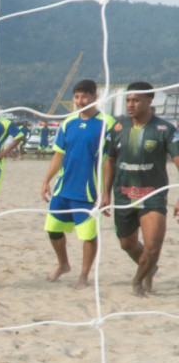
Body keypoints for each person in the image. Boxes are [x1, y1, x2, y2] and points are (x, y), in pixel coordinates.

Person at [102, 81, 179, 298]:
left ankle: (138, 280)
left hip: (153, 196)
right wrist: (106, 193)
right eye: (128, 100)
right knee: (127, 243)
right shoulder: (117, 128)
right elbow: (110, 161)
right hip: (124, 195)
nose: (130, 104)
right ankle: (149, 267)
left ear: (149, 100)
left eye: (136, 100)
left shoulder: (165, 129)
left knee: (153, 247)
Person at [41, 79, 115, 289]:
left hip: (89, 191)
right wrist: (46, 180)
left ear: (95, 96)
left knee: (88, 236)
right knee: (53, 230)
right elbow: (58, 155)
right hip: (64, 188)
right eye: (76, 97)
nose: (79, 101)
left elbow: (111, 160)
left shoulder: (107, 123)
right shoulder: (68, 122)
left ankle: (83, 275)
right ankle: (63, 264)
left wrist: (106, 192)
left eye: (84, 96)